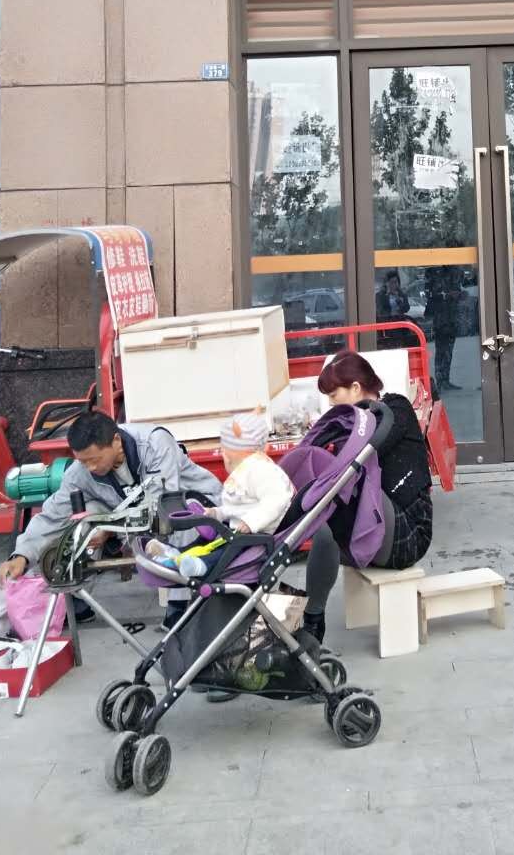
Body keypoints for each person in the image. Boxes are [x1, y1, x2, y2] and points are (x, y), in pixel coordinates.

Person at [0, 410, 222, 589]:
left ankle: (180, 603)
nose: (90, 467)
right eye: (83, 461)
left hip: (201, 507)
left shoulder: (154, 443)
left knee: (175, 519)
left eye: (94, 459)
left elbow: (161, 504)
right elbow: (53, 515)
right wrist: (21, 556)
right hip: (142, 518)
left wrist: (109, 529)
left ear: (116, 441)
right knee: (82, 513)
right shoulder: (80, 472)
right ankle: (78, 601)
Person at [302, 351, 433, 644]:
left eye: (334, 395)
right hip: (376, 525)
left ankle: (312, 622)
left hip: (408, 532)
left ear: (356, 388)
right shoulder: (354, 424)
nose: (331, 403)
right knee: (325, 519)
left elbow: (360, 455)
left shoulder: (395, 409)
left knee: (331, 508)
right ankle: (312, 619)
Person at [145, 409, 294, 575]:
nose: (225, 458)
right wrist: (216, 513)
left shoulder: (262, 471)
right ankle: (176, 554)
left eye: (226, 454)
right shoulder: (246, 471)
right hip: (235, 530)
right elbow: (236, 507)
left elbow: (277, 499)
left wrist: (251, 522)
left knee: (226, 550)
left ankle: (200, 565)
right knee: (208, 539)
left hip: (256, 535)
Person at [425, 268, 462, 391]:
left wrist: (458, 295)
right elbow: (430, 295)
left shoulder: (453, 274)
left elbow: (459, 294)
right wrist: (446, 295)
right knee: (440, 351)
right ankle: (440, 381)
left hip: (451, 319)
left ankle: (446, 380)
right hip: (440, 320)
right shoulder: (434, 274)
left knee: (448, 352)